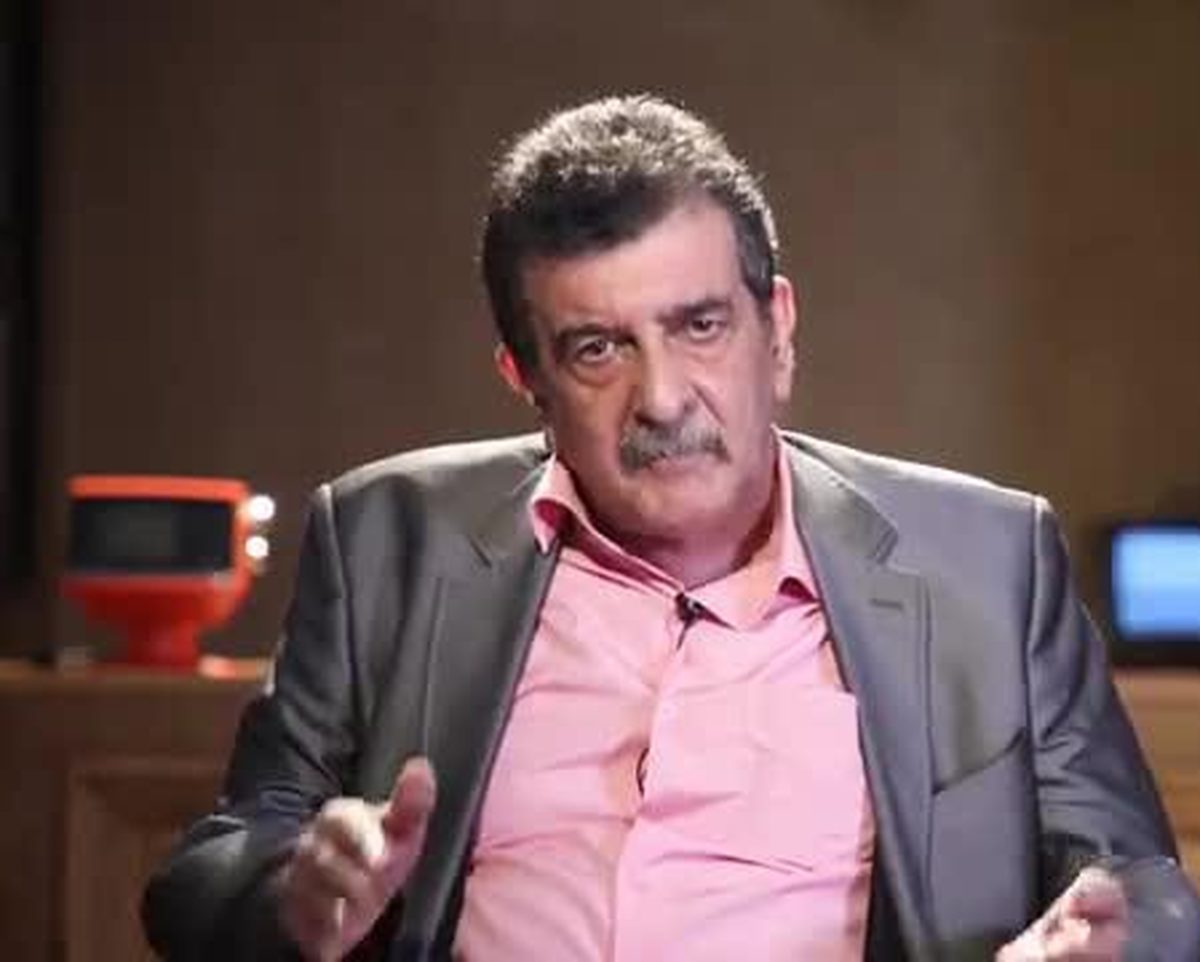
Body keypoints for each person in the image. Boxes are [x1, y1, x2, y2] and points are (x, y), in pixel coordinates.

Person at [142, 95, 1200, 961]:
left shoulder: (987, 563)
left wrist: (1101, 942)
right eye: (598, 349)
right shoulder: (386, 542)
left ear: (777, 330)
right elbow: (204, 874)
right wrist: (292, 894)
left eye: (699, 326)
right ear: (525, 378)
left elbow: (1144, 888)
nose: (661, 398)